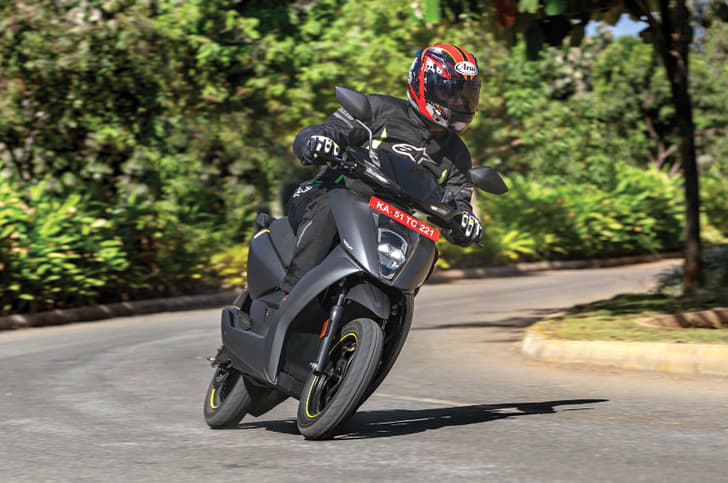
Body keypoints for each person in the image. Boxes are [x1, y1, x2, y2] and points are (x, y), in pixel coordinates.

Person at [281, 43, 483, 294]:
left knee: (425, 247)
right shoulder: (379, 110)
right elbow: (326, 131)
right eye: (449, 92)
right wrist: (316, 141)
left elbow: (458, 202)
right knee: (329, 209)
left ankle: (396, 310)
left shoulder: (457, 154)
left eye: (465, 94)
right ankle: (289, 295)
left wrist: (465, 222)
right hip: (330, 193)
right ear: (423, 85)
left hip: (390, 220)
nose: (458, 101)